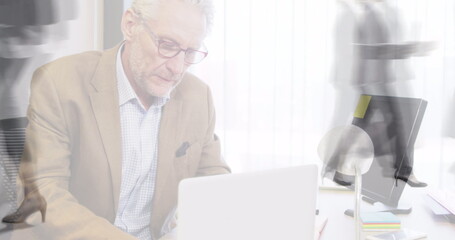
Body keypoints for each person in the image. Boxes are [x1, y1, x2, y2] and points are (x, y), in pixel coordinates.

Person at [2, 0, 230, 239]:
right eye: (167, 45)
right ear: (130, 25)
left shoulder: (197, 96)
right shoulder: (59, 82)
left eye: (190, 52)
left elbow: (214, 182)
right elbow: (42, 193)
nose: (177, 68)